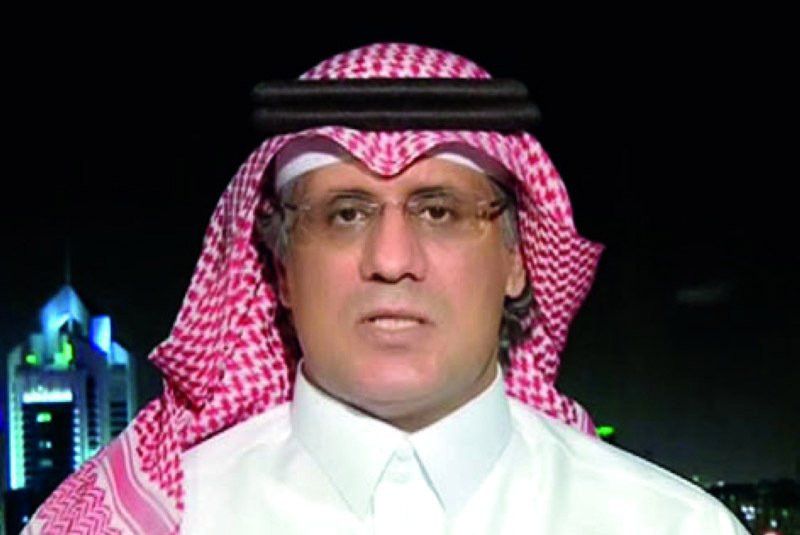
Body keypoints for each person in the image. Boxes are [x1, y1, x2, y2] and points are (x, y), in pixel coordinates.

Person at [25, 43, 747, 534]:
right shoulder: (150, 522)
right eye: (346, 215)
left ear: (516, 257)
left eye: (440, 211)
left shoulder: (671, 524)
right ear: (282, 269)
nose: (392, 260)